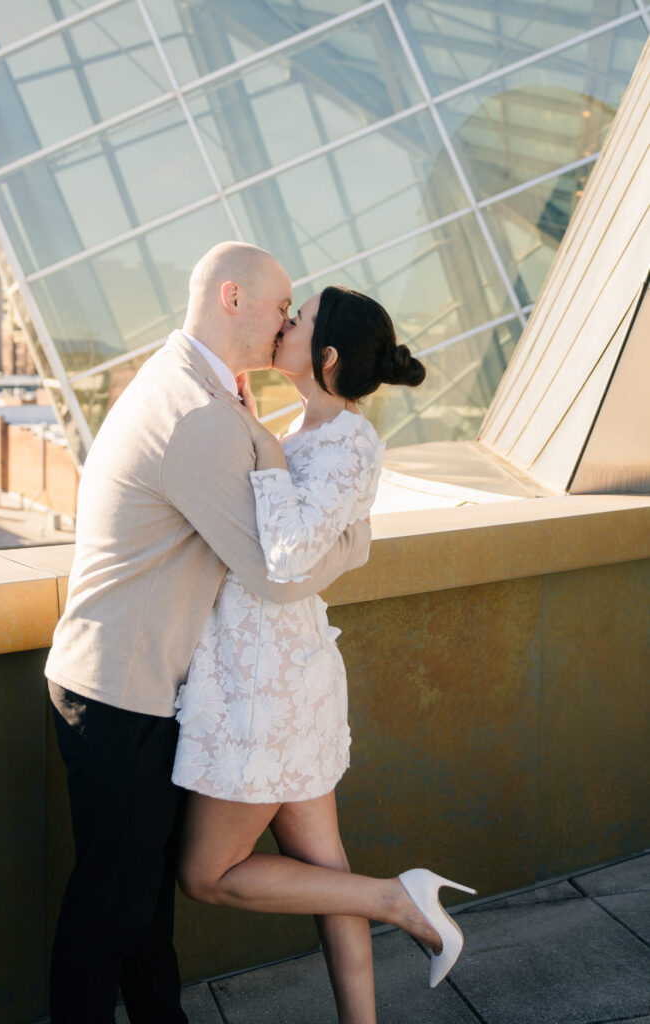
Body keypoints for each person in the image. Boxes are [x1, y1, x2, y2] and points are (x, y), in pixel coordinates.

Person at [44, 243, 374, 1024]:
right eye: (279, 305)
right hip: (118, 690)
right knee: (110, 913)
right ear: (233, 298)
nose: (286, 322)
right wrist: (355, 544)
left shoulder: (199, 388)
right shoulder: (193, 412)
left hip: (144, 685)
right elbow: (273, 573)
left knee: (140, 907)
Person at [173, 286, 476, 1024]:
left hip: (265, 690)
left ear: (327, 356)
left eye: (298, 318)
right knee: (322, 871)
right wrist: (263, 437)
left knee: (206, 875)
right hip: (279, 674)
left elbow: (282, 554)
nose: (284, 322)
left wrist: (263, 450)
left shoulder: (344, 442)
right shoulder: (312, 433)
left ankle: (395, 899)